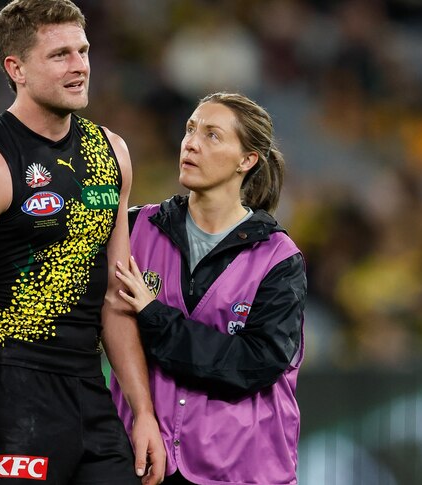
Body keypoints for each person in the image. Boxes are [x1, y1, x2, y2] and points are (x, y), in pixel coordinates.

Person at [0, 1, 165, 484]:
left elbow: (117, 295)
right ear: (17, 68)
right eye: (60, 55)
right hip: (6, 398)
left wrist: (143, 412)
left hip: (90, 392)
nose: (79, 65)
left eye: (83, 50)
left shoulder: (111, 153)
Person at [110, 92, 308, 485]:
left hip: (240, 468)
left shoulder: (279, 259)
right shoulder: (135, 230)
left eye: (213, 135)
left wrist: (154, 317)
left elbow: (251, 363)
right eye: (190, 129)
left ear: (246, 161)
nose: (191, 143)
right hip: (145, 461)